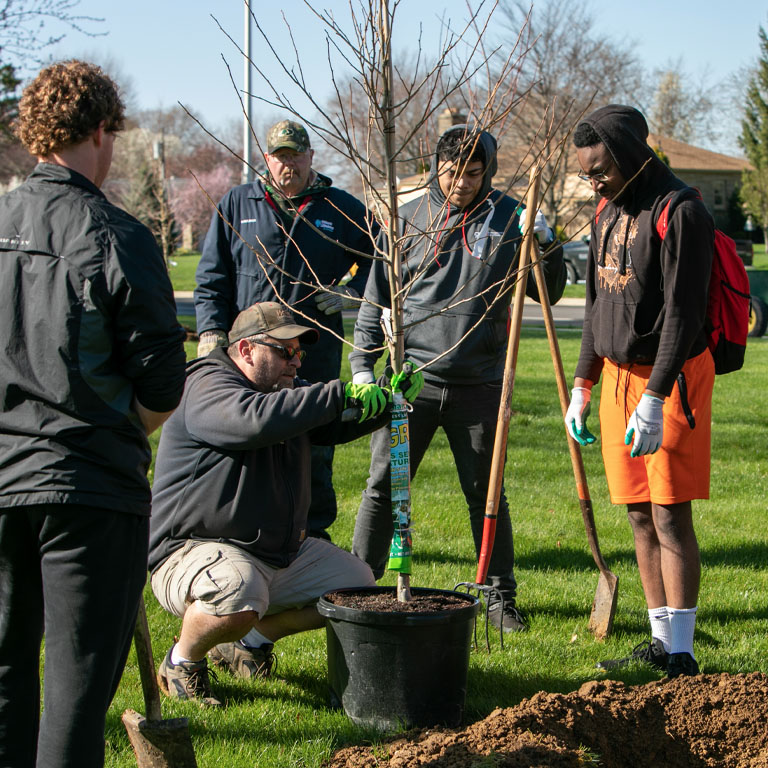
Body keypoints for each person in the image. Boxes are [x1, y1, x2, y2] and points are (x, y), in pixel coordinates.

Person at [0, 61, 187, 768]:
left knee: (7, 676)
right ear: (103, 132)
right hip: (88, 488)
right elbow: (163, 381)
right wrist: (120, 426)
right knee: (76, 694)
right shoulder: (116, 234)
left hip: (8, 481)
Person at [349, 125, 566, 633]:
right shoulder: (407, 222)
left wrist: (545, 242)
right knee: (384, 487)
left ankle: (498, 596)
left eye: (472, 173)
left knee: (485, 492)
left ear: (486, 170)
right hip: (410, 382)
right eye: (450, 173)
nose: (460, 184)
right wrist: (363, 367)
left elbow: (547, 293)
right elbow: (375, 298)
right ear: (434, 168)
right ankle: (358, 582)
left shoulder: (511, 218)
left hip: (480, 382)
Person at [148, 301, 419, 707]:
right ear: (245, 351)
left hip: (270, 553)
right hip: (191, 551)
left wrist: (383, 402)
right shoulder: (205, 386)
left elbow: (328, 421)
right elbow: (253, 421)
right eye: (283, 350)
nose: (294, 361)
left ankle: (249, 642)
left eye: (299, 352)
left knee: (357, 587)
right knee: (238, 590)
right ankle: (181, 661)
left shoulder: (282, 392)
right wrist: (337, 391)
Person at [566, 105, 715, 678]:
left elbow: (683, 313)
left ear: (630, 154)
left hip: (671, 379)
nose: (594, 181)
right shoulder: (607, 210)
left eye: (600, 169)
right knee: (636, 514)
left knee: (671, 513)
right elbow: (597, 307)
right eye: (586, 173)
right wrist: (583, 384)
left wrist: (655, 397)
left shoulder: (681, 213)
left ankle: (683, 652)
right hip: (618, 379)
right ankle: (658, 639)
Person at [194, 119, 376, 541]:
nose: (287, 164)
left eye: (295, 156)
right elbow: (211, 278)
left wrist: (355, 294)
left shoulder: (340, 207)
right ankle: (240, 531)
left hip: (312, 349)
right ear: (267, 159)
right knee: (243, 438)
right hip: (248, 355)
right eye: (279, 157)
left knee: (312, 444)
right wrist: (210, 331)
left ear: (311, 157)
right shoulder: (239, 204)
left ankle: (311, 536)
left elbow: (382, 260)